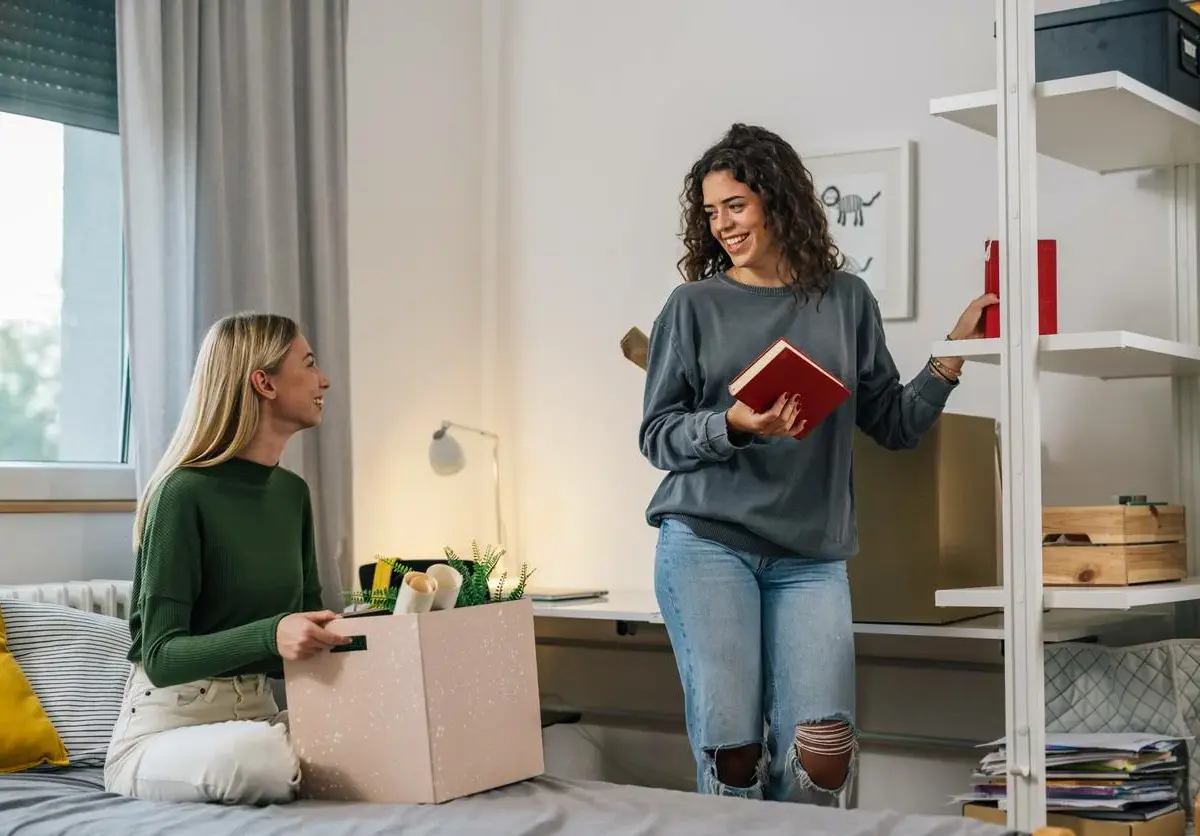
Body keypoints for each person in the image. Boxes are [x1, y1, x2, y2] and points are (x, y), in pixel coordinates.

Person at [638, 123, 996, 806]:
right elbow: (657, 435)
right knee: (734, 755)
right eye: (711, 213)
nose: (723, 225)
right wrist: (732, 424)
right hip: (707, 544)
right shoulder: (692, 306)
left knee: (823, 756)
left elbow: (893, 423)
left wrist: (952, 353)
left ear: (777, 200)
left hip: (812, 557)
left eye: (736, 205)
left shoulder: (847, 300)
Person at [104, 312, 351, 805]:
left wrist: (367, 636)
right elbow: (160, 656)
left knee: (373, 732)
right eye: (309, 364)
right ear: (265, 383)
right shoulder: (181, 493)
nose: (323, 380)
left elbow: (298, 644)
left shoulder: (292, 495)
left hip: (256, 717)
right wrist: (272, 633)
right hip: (169, 729)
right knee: (259, 759)